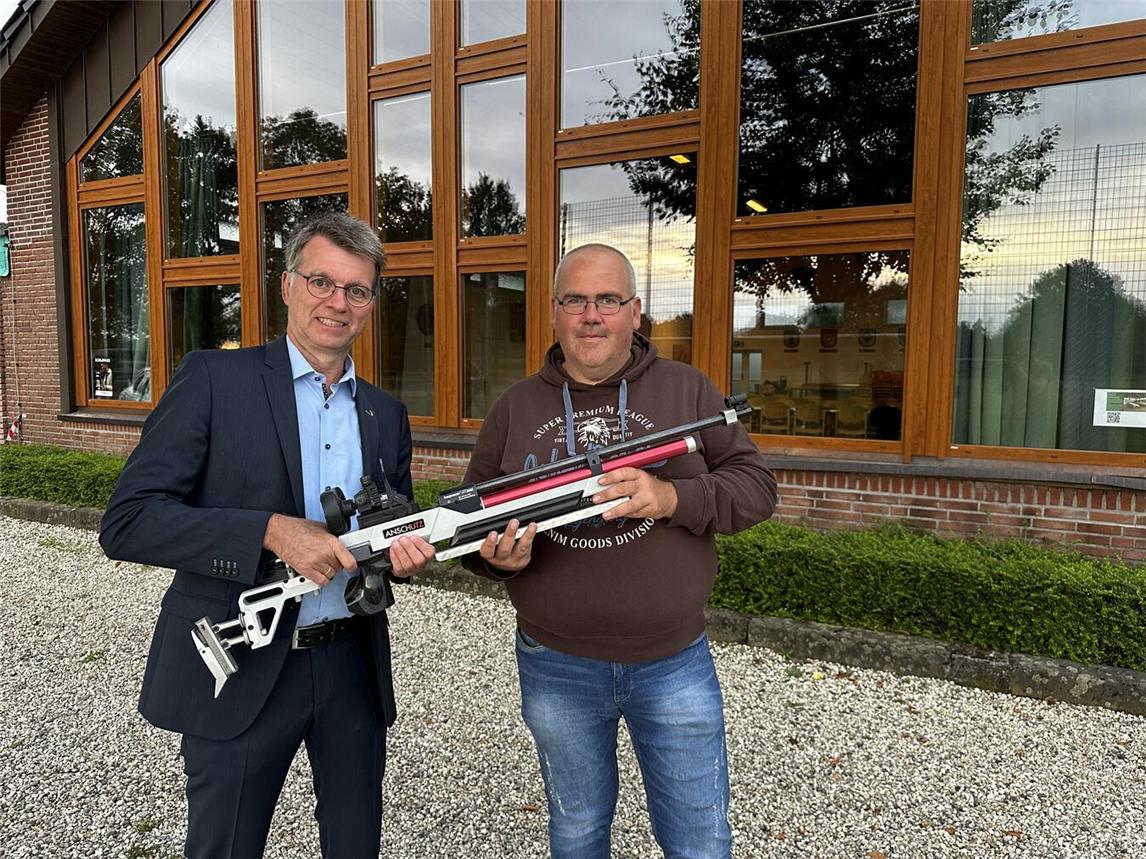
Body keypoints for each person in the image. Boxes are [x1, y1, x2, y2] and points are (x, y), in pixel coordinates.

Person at [100, 212, 435, 858]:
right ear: (287, 285)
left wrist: (402, 556)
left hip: (350, 668)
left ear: (370, 304)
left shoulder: (386, 414)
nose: (337, 303)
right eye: (321, 282)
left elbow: (385, 534)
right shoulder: (214, 381)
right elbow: (128, 520)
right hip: (242, 661)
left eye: (356, 290)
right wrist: (269, 532)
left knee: (355, 844)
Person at [462, 243, 778, 858]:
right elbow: (472, 521)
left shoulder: (688, 391)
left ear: (636, 312)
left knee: (699, 839)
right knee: (577, 831)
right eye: (576, 300)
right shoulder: (515, 407)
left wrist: (670, 497)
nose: (591, 315)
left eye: (608, 300)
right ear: (554, 313)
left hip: (672, 662)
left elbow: (756, 490)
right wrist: (494, 558)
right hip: (555, 664)